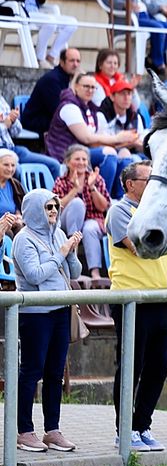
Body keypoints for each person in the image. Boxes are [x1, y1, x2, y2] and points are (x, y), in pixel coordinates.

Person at [107, 162, 167, 452]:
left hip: (160, 298)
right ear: (130, 183)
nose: (152, 183)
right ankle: (124, 430)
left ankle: (142, 425)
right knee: (130, 367)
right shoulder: (120, 211)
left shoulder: (159, 212)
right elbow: (140, 248)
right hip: (131, 298)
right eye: (147, 179)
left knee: (158, 368)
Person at [12, 190, 81, 452]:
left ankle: (52, 430)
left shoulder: (59, 234)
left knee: (55, 373)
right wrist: (61, 253)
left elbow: (75, 272)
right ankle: (24, 431)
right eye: (47, 207)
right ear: (33, 210)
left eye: (55, 206)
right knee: (31, 371)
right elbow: (35, 275)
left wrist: (71, 252)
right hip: (35, 314)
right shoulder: (23, 239)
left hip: (60, 310)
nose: (53, 210)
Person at [45, 74, 137, 199]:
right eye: (86, 86)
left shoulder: (91, 109)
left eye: (93, 87)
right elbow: (86, 138)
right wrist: (117, 139)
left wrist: (124, 142)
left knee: (125, 153)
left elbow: (99, 138)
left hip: (85, 152)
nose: (90, 90)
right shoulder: (69, 107)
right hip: (66, 154)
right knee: (109, 153)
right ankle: (105, 198)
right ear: (76, 87)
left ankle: (120, 199)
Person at [53, 144, 110, 279]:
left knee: (89, 228)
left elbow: (103, 207)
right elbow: (56, 206)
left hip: (92, 219)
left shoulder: (96, 179)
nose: (81, 162)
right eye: (77, 159)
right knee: (77, 203)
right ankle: (74, 258)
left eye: (84, 159)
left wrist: (92, 187)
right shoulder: (61, 181)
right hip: (66, 222)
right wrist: (74, 190)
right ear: (67, 162)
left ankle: (95, 273)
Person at [23, 47, 82, 135]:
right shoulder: (52, 80)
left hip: (51, 118)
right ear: (62, 62)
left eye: (78, 61)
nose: (75, 65)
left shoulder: (67, 77)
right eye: (72, 61)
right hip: (36, 120)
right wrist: (74, 83)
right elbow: (58, 109)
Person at [0, 94, 60, 172]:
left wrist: (13, 120)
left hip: (12, 149)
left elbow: (16, 132)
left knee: (54, 165)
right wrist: (4, 126)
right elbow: (5, 125)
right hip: (2, 153)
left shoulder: (1, 100)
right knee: (15, 170)